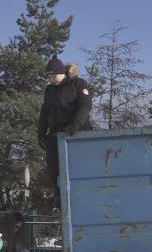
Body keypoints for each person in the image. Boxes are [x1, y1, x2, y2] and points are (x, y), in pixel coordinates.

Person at [38, 55, 93, 198]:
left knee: (77, 170)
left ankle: (82, 197)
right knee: (56, 174)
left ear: (61, 73)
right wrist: (41, 133)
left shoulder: (77, 84)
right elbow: (44, 113)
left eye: (54, 76)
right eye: (49, 77)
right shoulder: (50, 90)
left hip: (76, 133)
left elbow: (85, 107)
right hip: (55, 135)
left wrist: (75, 125)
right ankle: (60, 202)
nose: (51, 79)